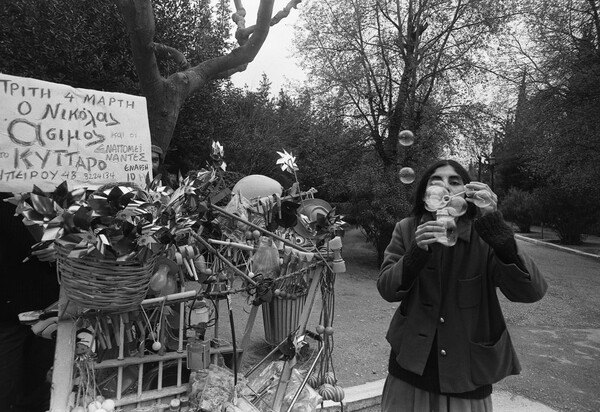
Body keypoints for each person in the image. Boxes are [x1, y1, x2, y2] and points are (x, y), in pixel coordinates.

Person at [377, 159, 547, 412]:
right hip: (409, 367)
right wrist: (415, 253)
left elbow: (530, 291)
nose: (444, 186)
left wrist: (497, 230)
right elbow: (387, 290)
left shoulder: (485, 235)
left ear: (466, 194)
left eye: (454, 181)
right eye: (436, 181)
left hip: (466, 373)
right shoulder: (407, 228)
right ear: (425, 193)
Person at [0, 192, 60, 412]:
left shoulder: (39, 194)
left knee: (40, 387)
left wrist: (59, 250)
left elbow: (75, 238)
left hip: (47, 307)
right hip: (5, 314)